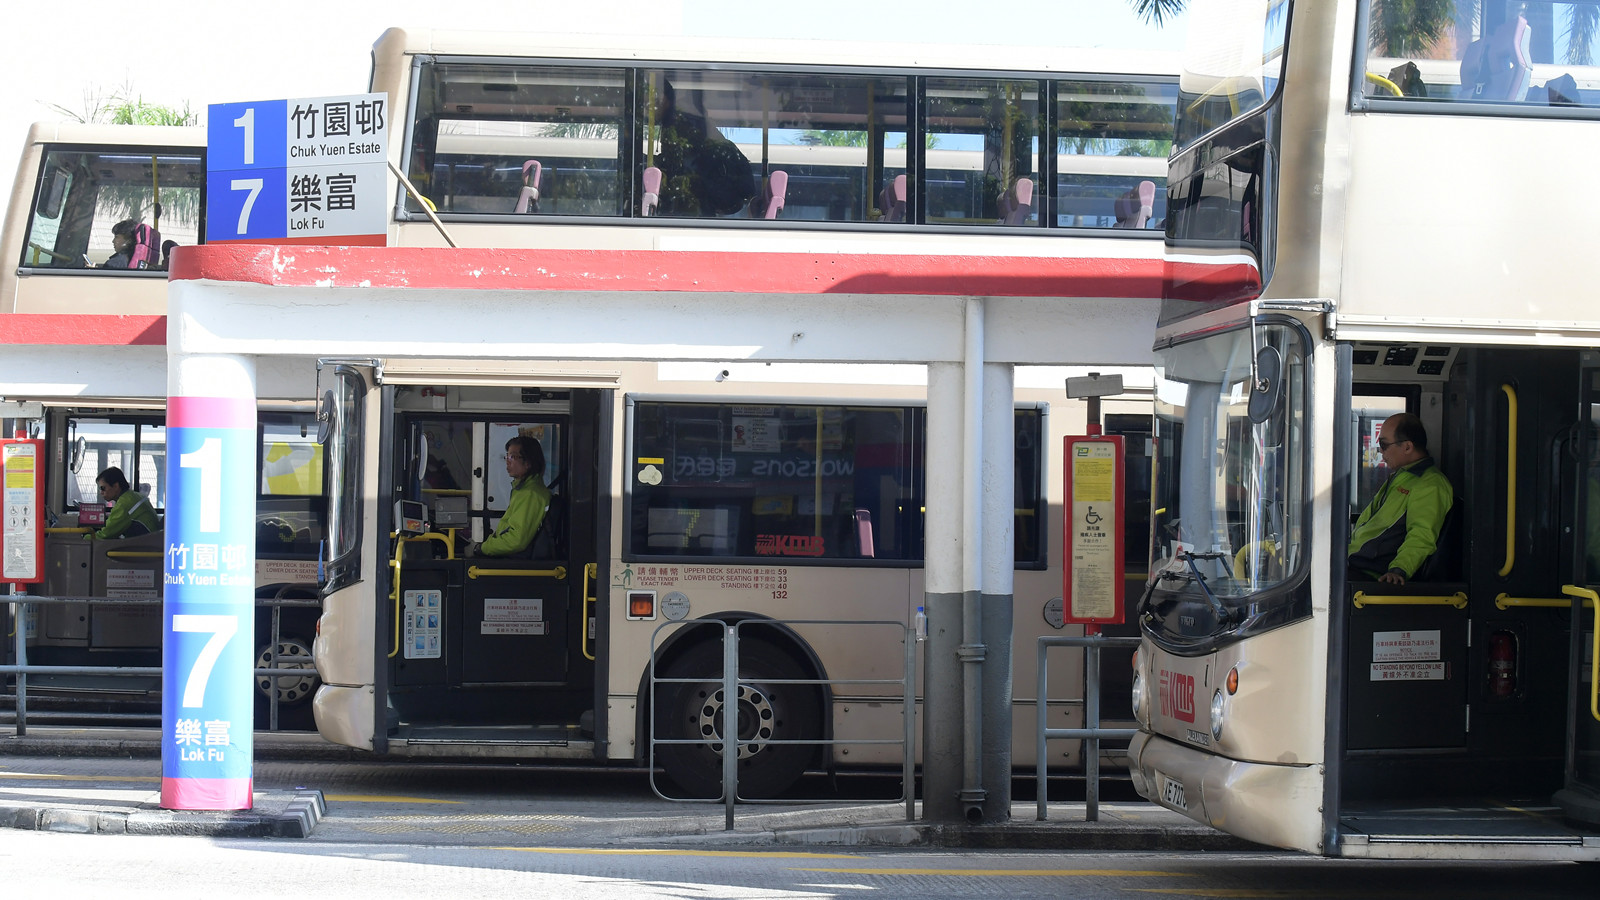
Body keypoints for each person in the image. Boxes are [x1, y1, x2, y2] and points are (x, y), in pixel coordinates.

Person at [1348, 413, 1453, 585]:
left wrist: (1399, 570)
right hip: (1355, 562)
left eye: (1384, 444)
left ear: (1407, 447)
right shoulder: (1401, 476)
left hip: (1373, 573)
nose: (1380, 451)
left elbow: (1421, 535)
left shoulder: (1431, 485)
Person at [467, 436, 551, 557]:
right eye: (507, 456)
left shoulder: (531, 494)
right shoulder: (522, 490)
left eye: (512, 457)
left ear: (528, 462)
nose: (507, 461)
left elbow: (516, 540)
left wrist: (481, 549)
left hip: (518, 563)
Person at [88, 466, 160, 540]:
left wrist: (83, 538)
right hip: (149, 541)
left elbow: (105, 534)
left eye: (103, 488)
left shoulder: (124, 504)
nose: (101, 492)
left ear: (116, 486)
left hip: (145, 546)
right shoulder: (133, 496)